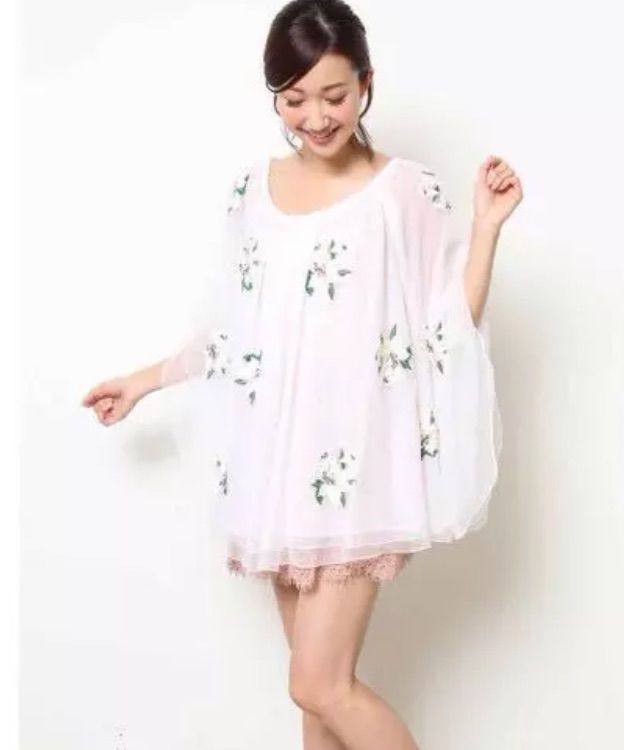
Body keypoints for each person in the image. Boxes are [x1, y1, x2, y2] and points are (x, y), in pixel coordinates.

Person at [81, 1, 523, 747]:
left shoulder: (404, 192)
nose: (316, 118)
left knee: (319, 683)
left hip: (355, 470)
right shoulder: (250, 193)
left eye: (334, 96)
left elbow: (446, 325)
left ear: (366, 84)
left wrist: (484, 230)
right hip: (277, 469)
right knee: (314, 703)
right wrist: (144, 380)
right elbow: (238, 334)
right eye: (294, 99)